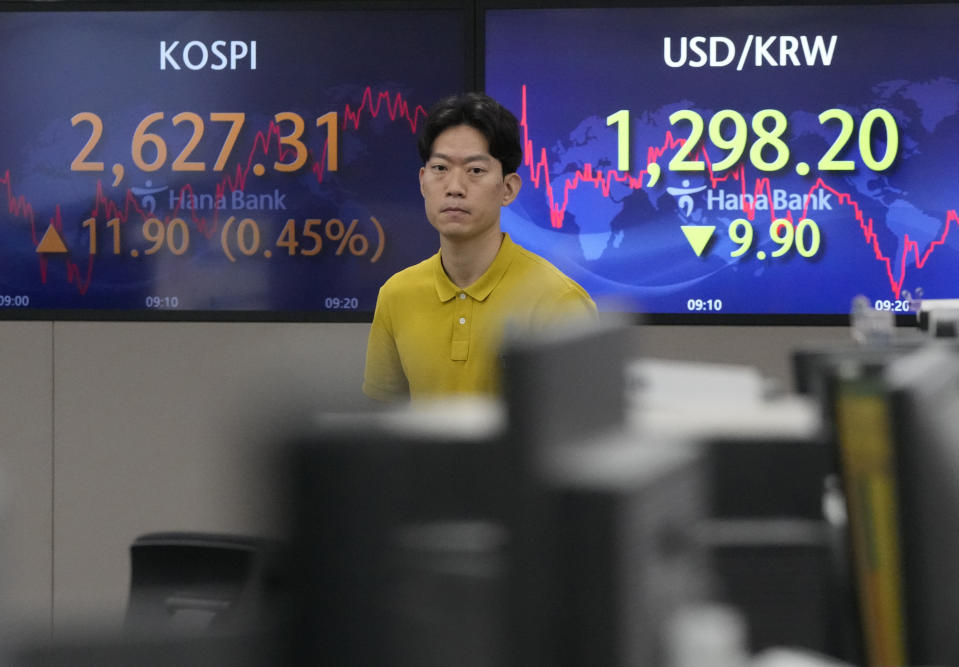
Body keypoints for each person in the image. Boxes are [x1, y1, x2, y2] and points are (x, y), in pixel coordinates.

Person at [362, 92, 597, 402]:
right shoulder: (396, 295)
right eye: (440, 169)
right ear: (422, 182)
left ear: (508, 189)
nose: (455, 188)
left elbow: (580, 436)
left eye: (475, 171)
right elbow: (383, 426)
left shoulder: (559, 301)